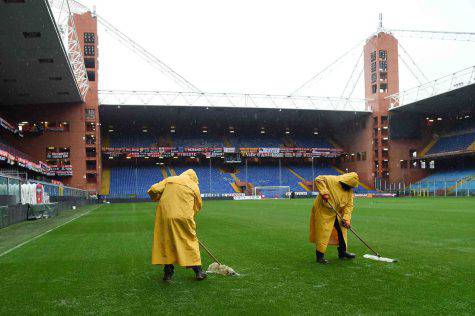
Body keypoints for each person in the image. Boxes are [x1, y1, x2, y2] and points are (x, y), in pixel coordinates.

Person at [147, 169, 206, 282]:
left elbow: (153, 189)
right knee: (189, 241)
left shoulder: (170, 179)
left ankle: (168, 274)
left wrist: (157, 197)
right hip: (184, 217)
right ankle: (198, 271)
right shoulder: (194, 186)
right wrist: (190, 216)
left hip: (165, 216)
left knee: (167, 242)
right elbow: (198, 206)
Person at [309, 172, 359, 264]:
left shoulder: (349, 192)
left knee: (342, 230)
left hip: (336, 212)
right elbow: (318, 179)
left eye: (351, 187)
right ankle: (320, 257)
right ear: (344, 182)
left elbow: (349, 207)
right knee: (323, 232)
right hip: (323, 210)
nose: (349, 188)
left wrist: (346, 219)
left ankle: (342, 252)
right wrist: (324, 192)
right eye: (348, 186)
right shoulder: (332, 179)